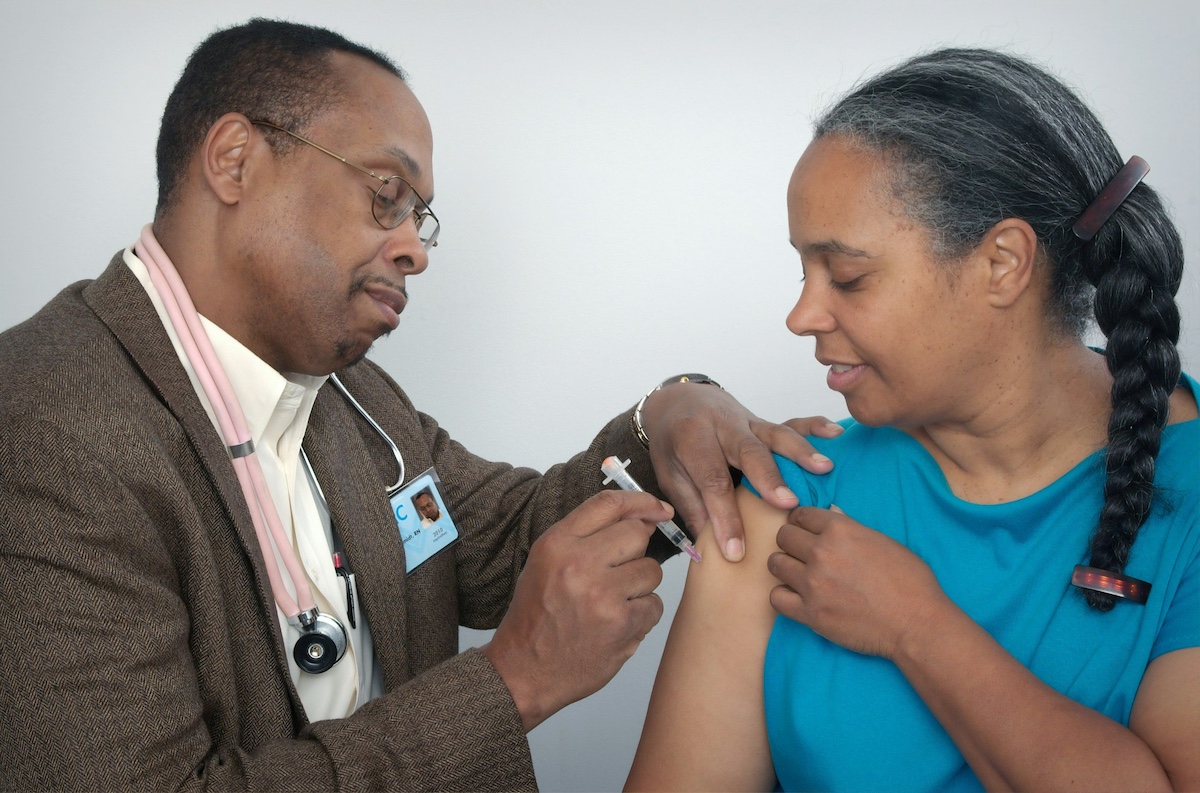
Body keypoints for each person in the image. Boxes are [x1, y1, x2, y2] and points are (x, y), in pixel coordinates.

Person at [0, 19, 838, 791]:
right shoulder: (43, 427)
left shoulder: (353, 399)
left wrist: (668, 423)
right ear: (235, 160)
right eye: (385, 193)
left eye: (418, 216)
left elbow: (508, 539)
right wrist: (512, 685)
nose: (413, 249)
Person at [626, 48, 1199, 792]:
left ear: (1003, 263)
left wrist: (915, 625)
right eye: (803, 270)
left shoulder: (1186, 493)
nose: (801, 314)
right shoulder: (787, 502)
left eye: (849, 275)